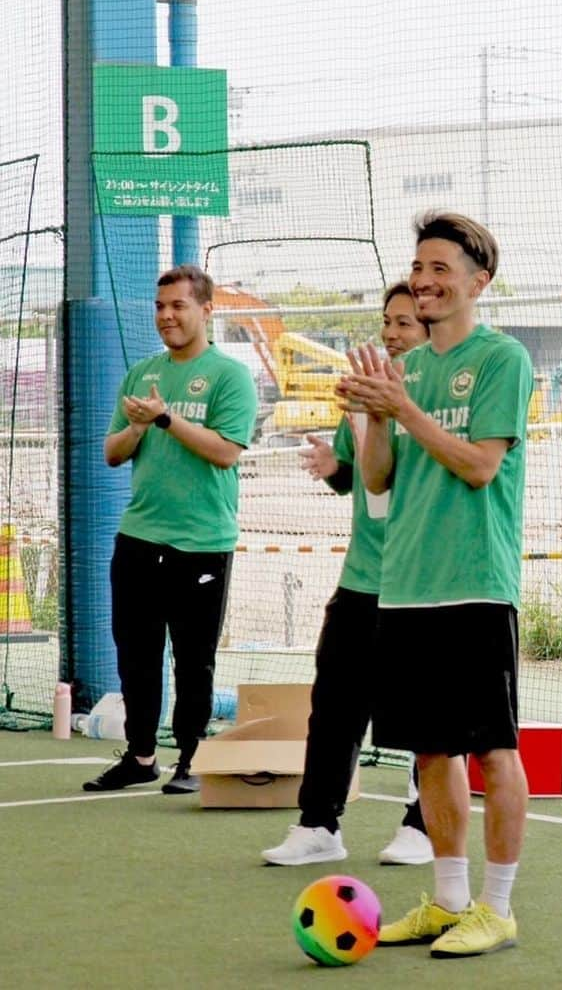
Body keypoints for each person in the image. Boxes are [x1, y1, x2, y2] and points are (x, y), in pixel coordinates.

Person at [337, 210, 533, 960]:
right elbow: (379, 481)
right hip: (405, 587)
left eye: (440, 269)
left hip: (474, 585)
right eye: (418, 267)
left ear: (479, 281)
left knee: (492, 751)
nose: (423, 281)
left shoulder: (501, 359)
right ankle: (450, 901)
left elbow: (481, 465)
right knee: (430, 753)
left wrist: (404, 408)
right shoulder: (406, 367)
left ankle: (499, 906)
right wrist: (375, 417)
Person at [261, 282, 434, 867]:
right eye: (388, 321)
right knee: (334, 704)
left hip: (423, 581)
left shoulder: (436, 398)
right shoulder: (359, 396)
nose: (392, 332)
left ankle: (422, 823)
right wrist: (335, 466)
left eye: (406, 323)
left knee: (421, 714)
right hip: (362, 576)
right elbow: (361, 481)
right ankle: (319, 825)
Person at [83, 265, 258, 795]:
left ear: (206, 310)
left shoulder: (229, 376)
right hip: (138, 538)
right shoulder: (141, 374)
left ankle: (190, 759)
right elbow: (113, 453)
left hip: (202, 543)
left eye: (178, 306)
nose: (166, 316)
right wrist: (137, 424)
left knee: (193, 657)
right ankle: (140, 757)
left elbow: (226, 452)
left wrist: (164, 419)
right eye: (160, 307)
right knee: (135, 653)